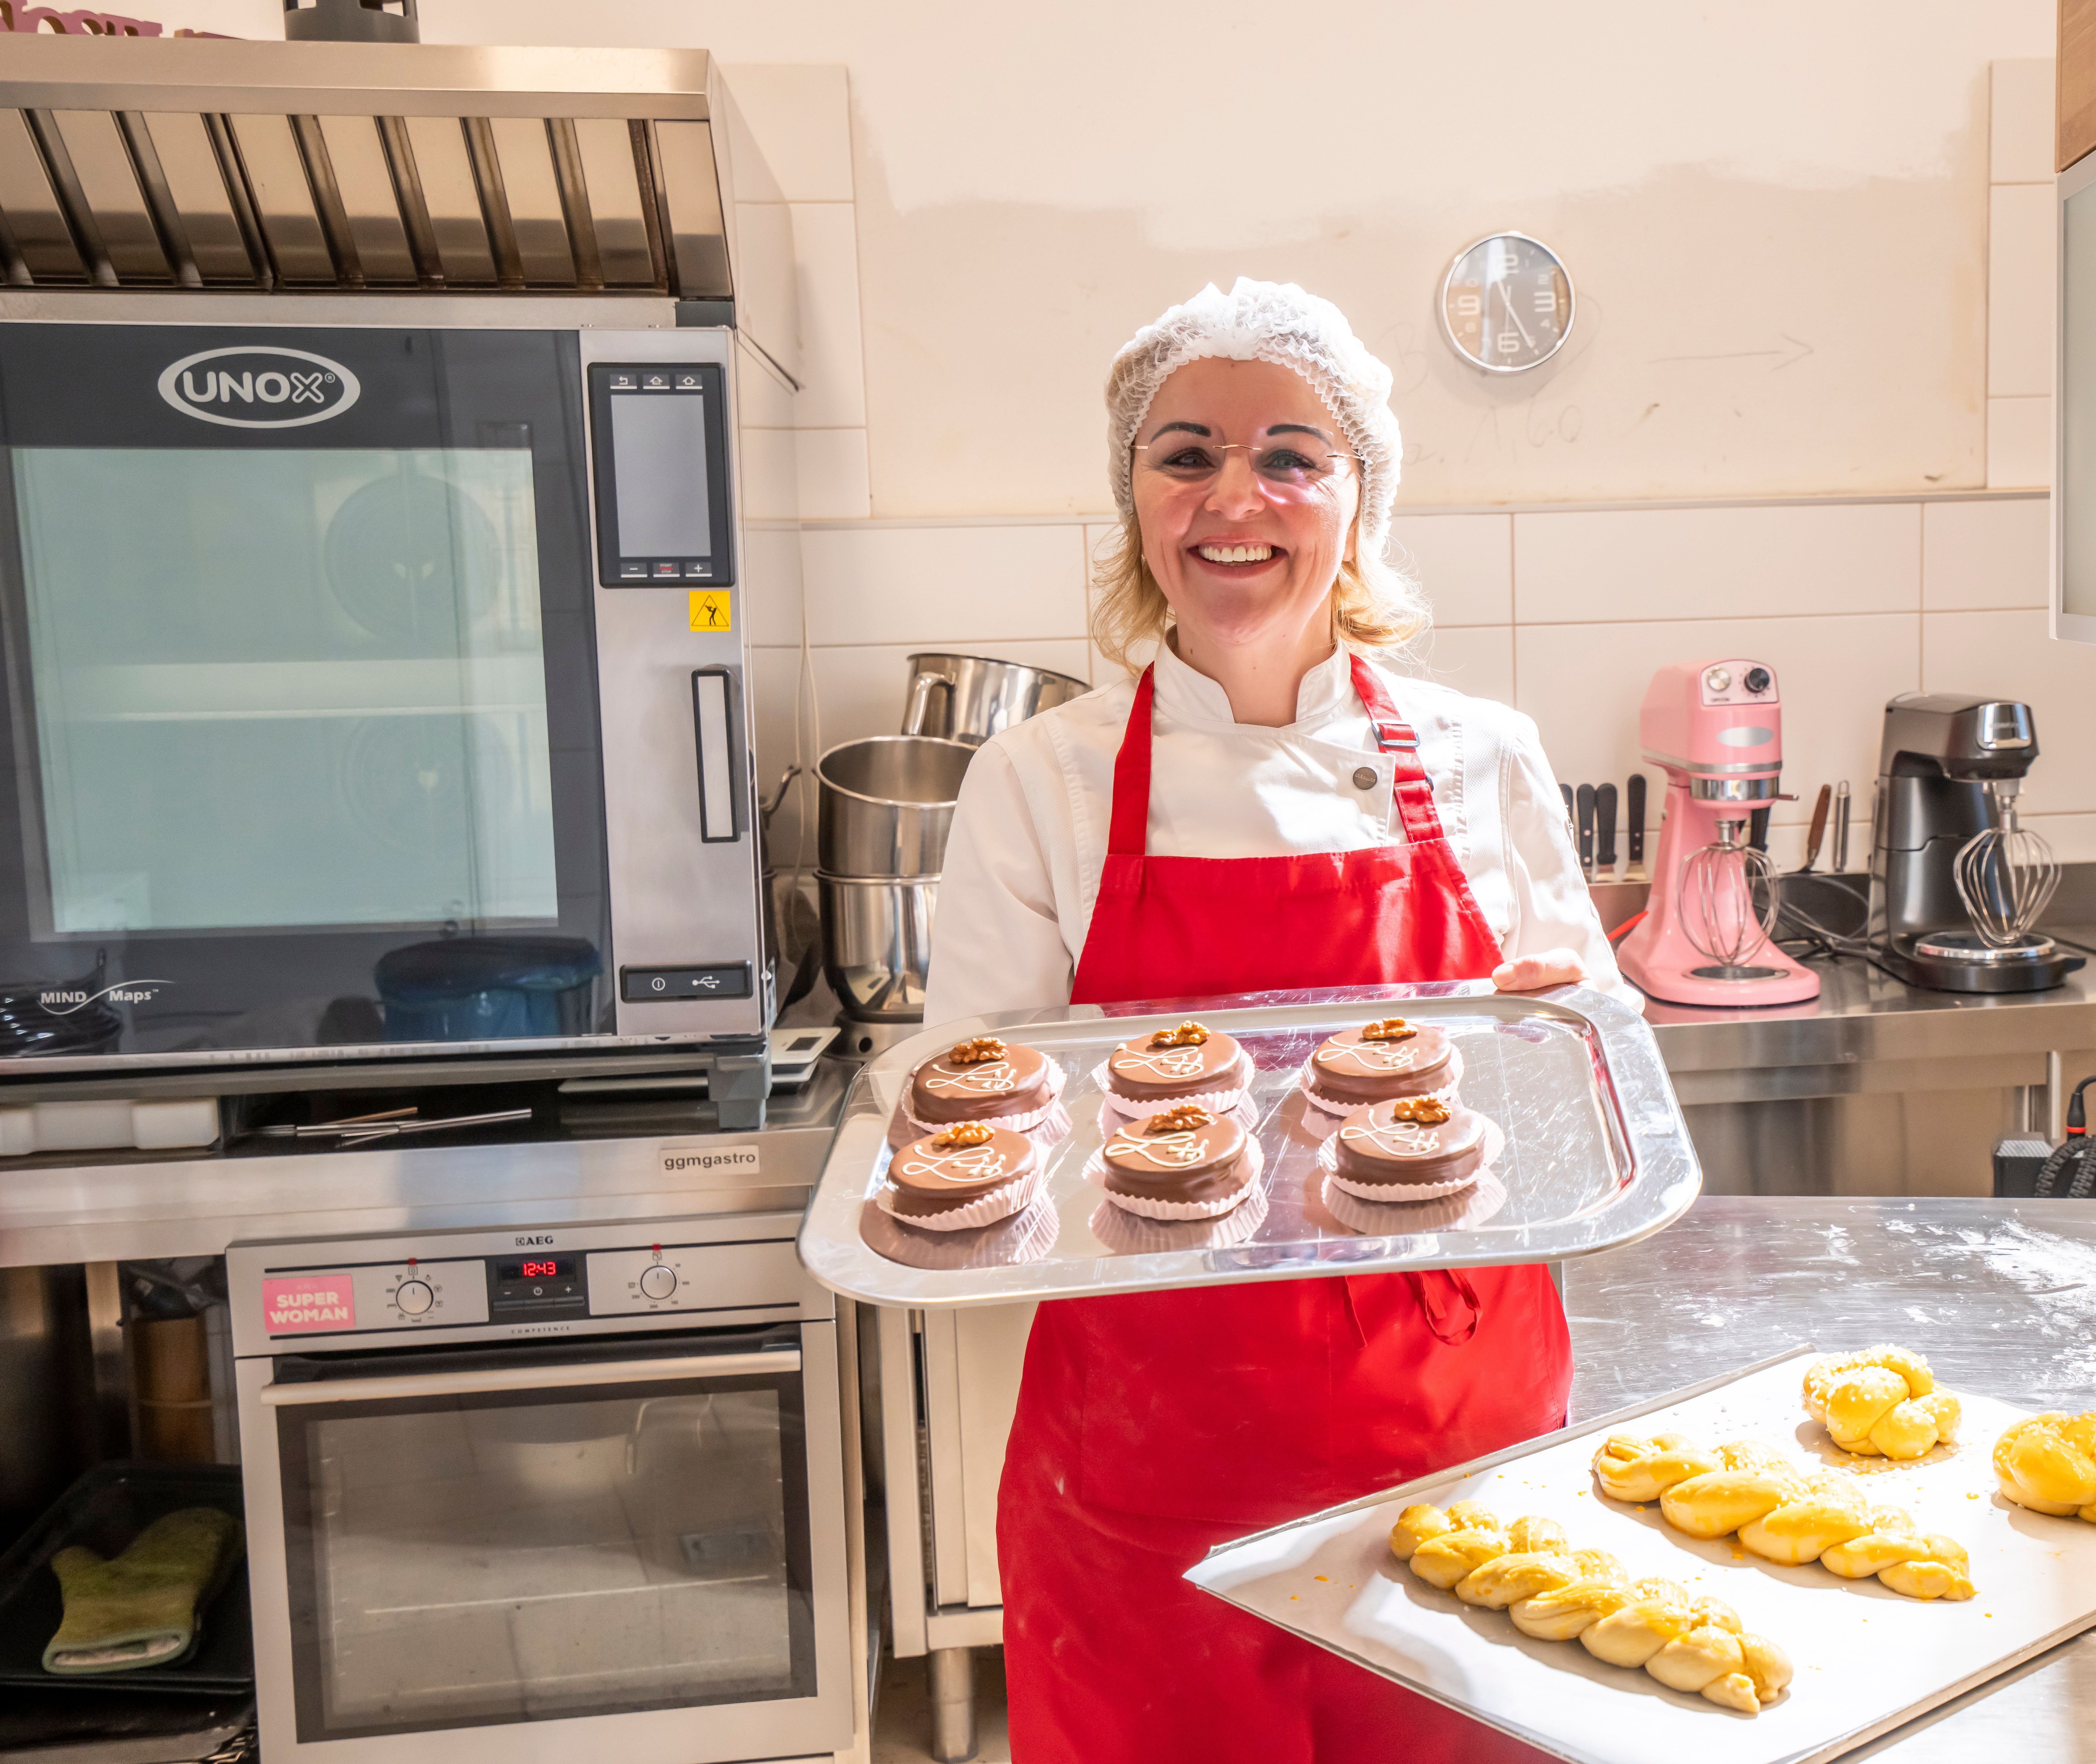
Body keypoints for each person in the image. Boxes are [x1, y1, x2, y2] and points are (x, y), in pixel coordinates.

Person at [921, 277, 1632, 1762]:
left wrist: (1565, 1032)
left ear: (1356, 494)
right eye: (1185, 455)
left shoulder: (1483, 755)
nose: (1235, 495)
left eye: (1290, 455)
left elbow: (1600, 1060)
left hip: (1456, 1445)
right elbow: (976, 1106)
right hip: (1150, 1461)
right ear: (1135, 500)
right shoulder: (1041, 781)